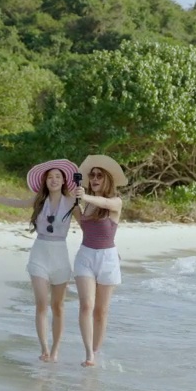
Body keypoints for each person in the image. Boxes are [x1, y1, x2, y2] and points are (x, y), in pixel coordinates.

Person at [0, 159, 80, 362]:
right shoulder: (39, 200)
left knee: (58, 306)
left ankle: (55, 351)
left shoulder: (72, 202)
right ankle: (44, 349)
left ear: (64, 180)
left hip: (60, 255)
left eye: (57, 176)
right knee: (41, 303)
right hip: (40, 253)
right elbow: (19, 203)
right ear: (45, 181)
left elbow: (87, 224)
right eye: (50, 177)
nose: (53, 180)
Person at [72, 154, 127, 367]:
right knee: (86, 305)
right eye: (92, 175)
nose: (94, 179)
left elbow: (103, 201)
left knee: (101, 311)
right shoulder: (86, 203)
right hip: (86, 255)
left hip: (108, 259)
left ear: (107, 180)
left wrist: (84, 198)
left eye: (99, 176)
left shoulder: (115, 202)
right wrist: (72, 199)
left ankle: (96, 349)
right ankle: (89, 354)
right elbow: (81, 221)